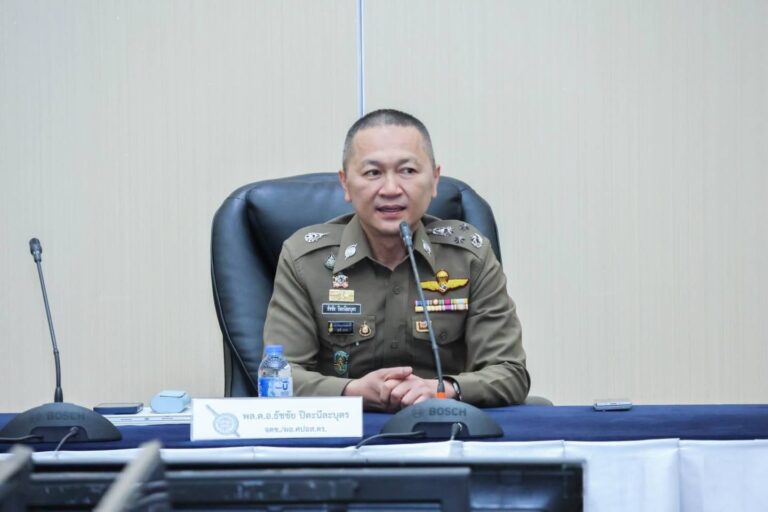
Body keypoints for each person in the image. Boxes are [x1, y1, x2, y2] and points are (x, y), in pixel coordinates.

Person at [263, 109, 529, 411]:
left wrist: (444, 389)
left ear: (435, 180)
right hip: (342, 433)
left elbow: (510, 372)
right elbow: (278, 376)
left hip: (442, 428)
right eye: (373, 173)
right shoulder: (305, 259)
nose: (390, 189)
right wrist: (351, 391)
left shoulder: (469, 256)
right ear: (345, 184)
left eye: (408, 171)